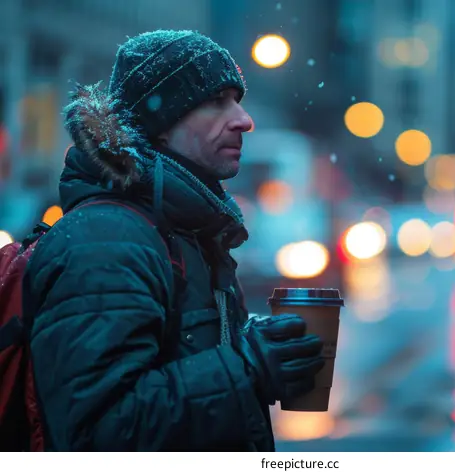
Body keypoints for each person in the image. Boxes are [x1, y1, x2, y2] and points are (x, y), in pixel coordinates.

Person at [21, 30, 325, 451]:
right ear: (159, 126)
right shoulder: (105, 242)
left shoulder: (186, 230)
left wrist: (254, 347)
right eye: (217, 101)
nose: (244, 119)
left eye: (237, 100)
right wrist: (246, 365)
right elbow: (98, 437)